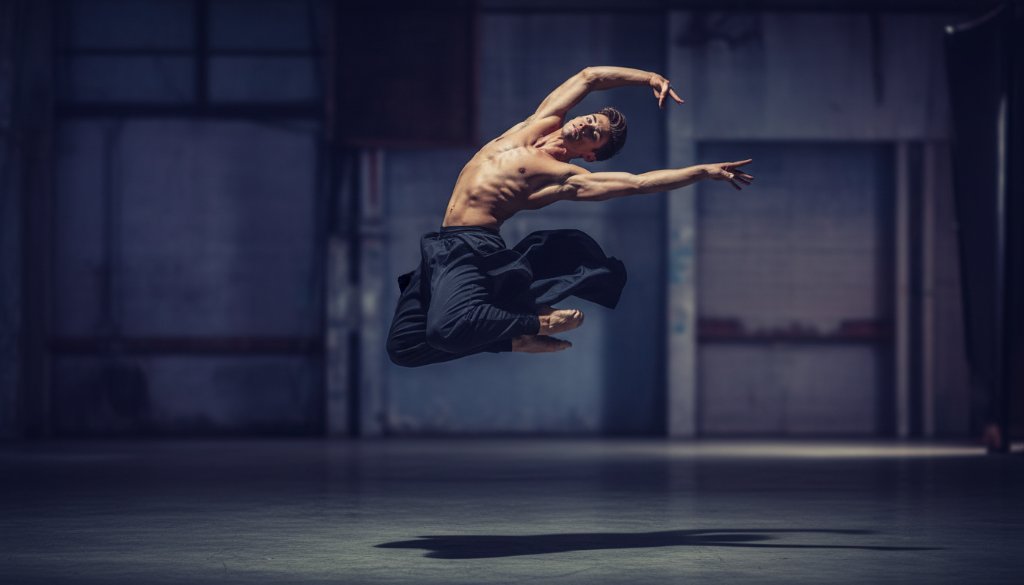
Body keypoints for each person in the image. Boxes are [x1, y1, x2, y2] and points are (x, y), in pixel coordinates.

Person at [386, 66, 753, 367]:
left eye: (593, 133)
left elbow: (638, 183)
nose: (583, 125)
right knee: (404, 346)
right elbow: (590, 77)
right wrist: (650, 78)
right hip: (441, 243)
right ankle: (516, 341)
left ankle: (537, 323)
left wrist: (703, 171)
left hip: (472, 249)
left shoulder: (564, 177)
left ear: (590, 155)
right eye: (589, 119)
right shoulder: (539, 122)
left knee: (446, 330)